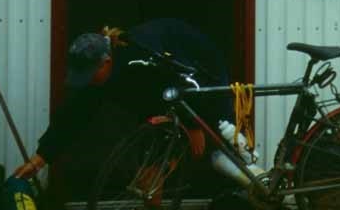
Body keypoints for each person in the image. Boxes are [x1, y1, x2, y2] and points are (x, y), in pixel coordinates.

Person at [13, 18, 234, 180]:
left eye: (91, 75)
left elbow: (187, 84)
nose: (88, 81)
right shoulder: (99, 77)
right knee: (152, 156)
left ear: (106, 61)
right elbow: (73, 115)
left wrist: (193, 126)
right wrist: (41, 158)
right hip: (160, 90)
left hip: (200, 68)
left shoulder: (141, 60)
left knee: (226, 140)